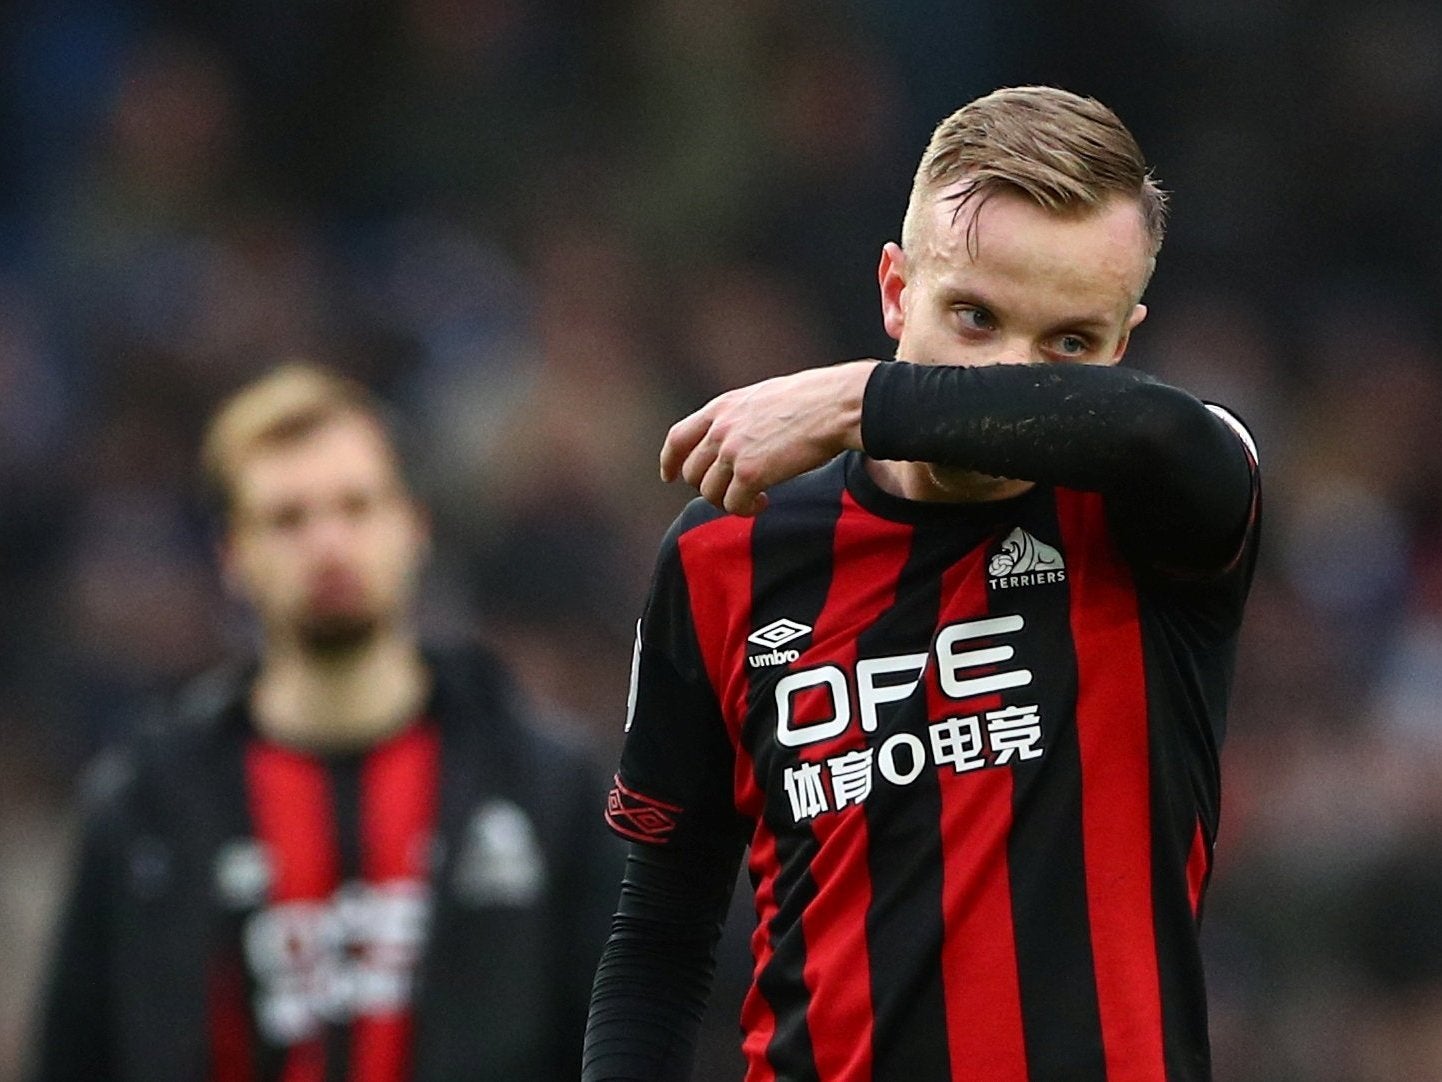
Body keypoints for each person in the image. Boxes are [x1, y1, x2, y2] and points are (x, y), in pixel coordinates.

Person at [583, 86, 1261, 1081]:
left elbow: (1162, 430)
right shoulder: (727, 554)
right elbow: (658, 934)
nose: (1006, 371)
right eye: (974, 316)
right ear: (896, 290)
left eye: (1066, 342)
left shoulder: (1152, 508)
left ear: (1119, 347)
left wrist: (859, 395)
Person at [30, 363, 621, 1082]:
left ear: (414, 525)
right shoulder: (144, 809)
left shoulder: (545, 786)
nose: (328, 544)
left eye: (356, 506)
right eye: (288, 518)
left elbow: (622, 1042)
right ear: (231, 554)